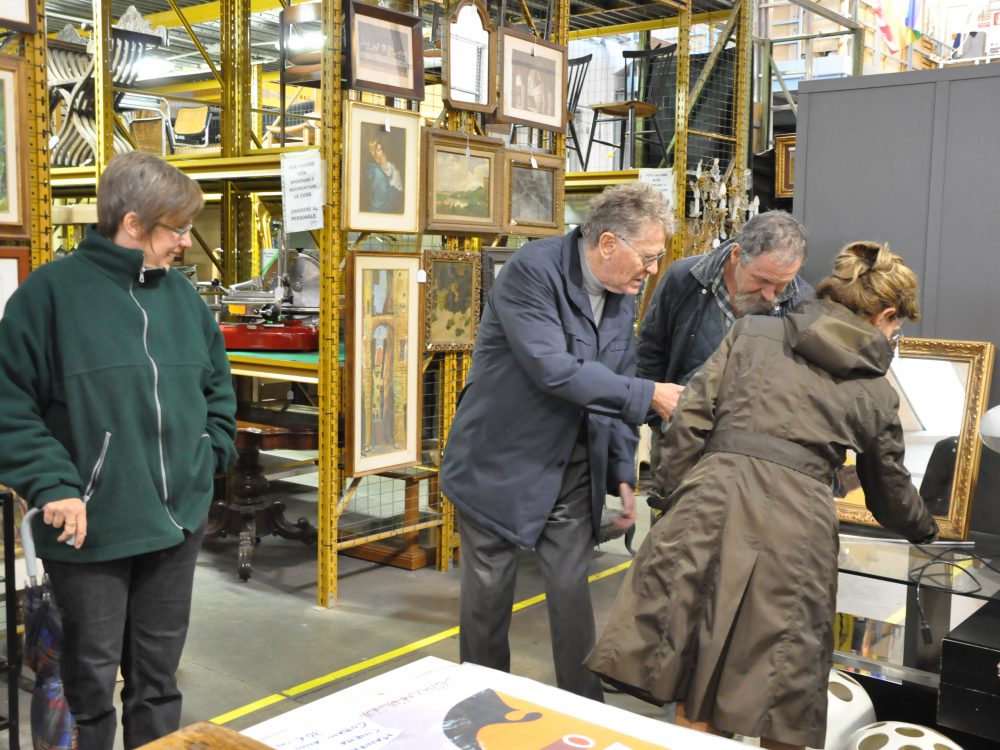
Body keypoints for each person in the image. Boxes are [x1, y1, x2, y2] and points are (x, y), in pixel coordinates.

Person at [585, 241, 938, 749]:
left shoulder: (752, 332)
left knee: (694, 674)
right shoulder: (876, 390)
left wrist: (669, 498)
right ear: (885, 315)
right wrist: (928, 528)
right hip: (796, 535)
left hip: (708, 505)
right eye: (896, 329)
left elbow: (690, 420)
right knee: (781, 684)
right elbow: (889, 491)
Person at [0, 151, 238, 749]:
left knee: (158, 685)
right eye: (177, 229)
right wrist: (53, 484)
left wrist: (210, 454)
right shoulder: (49, 296)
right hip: (91, 532)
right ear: (133, 223)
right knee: (88, 686)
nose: (185, 242)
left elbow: (217, 386)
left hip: (178, 524)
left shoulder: (183, 297)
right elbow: (9, 404)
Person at [440, 183, 679, 702]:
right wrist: (650, 395)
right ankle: (481, 708)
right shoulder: (533, 271)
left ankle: (585, 712)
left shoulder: (621, 294)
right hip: (498, 464)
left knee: (572, 594)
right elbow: (553, 370)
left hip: (570, 469)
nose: (652, 271)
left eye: (659, 259)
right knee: (488, 598)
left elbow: (614, 381)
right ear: (609, 243)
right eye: (649, 257)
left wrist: (622, 472)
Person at [636, 210, 813, 480]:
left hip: (757, 457)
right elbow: (650, 351)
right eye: (763, 280)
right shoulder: (685, 278)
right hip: (680, 444)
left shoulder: (802, 302)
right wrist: (658, 421)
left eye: (781, 285)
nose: (770, 294)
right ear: (736, 255)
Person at [363, 134, 404, 214]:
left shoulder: (383, 167)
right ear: (373, 154)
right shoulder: (376, 172)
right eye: (378, 150)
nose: (382, 152)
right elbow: (380, 200)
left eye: (381, 149)